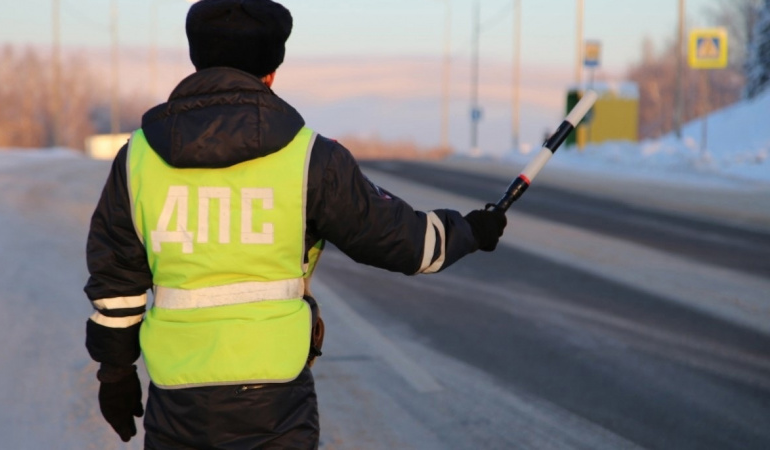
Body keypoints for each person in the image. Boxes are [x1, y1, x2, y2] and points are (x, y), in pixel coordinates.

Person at [83, 0, 508, 448]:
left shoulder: (138, 159)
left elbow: (116, 283)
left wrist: (115, 372)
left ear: (197, 61)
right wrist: (469, 231)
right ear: (270, 72)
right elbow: (403, 241)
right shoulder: (311, 159)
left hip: (176, 396)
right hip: (276, 400)